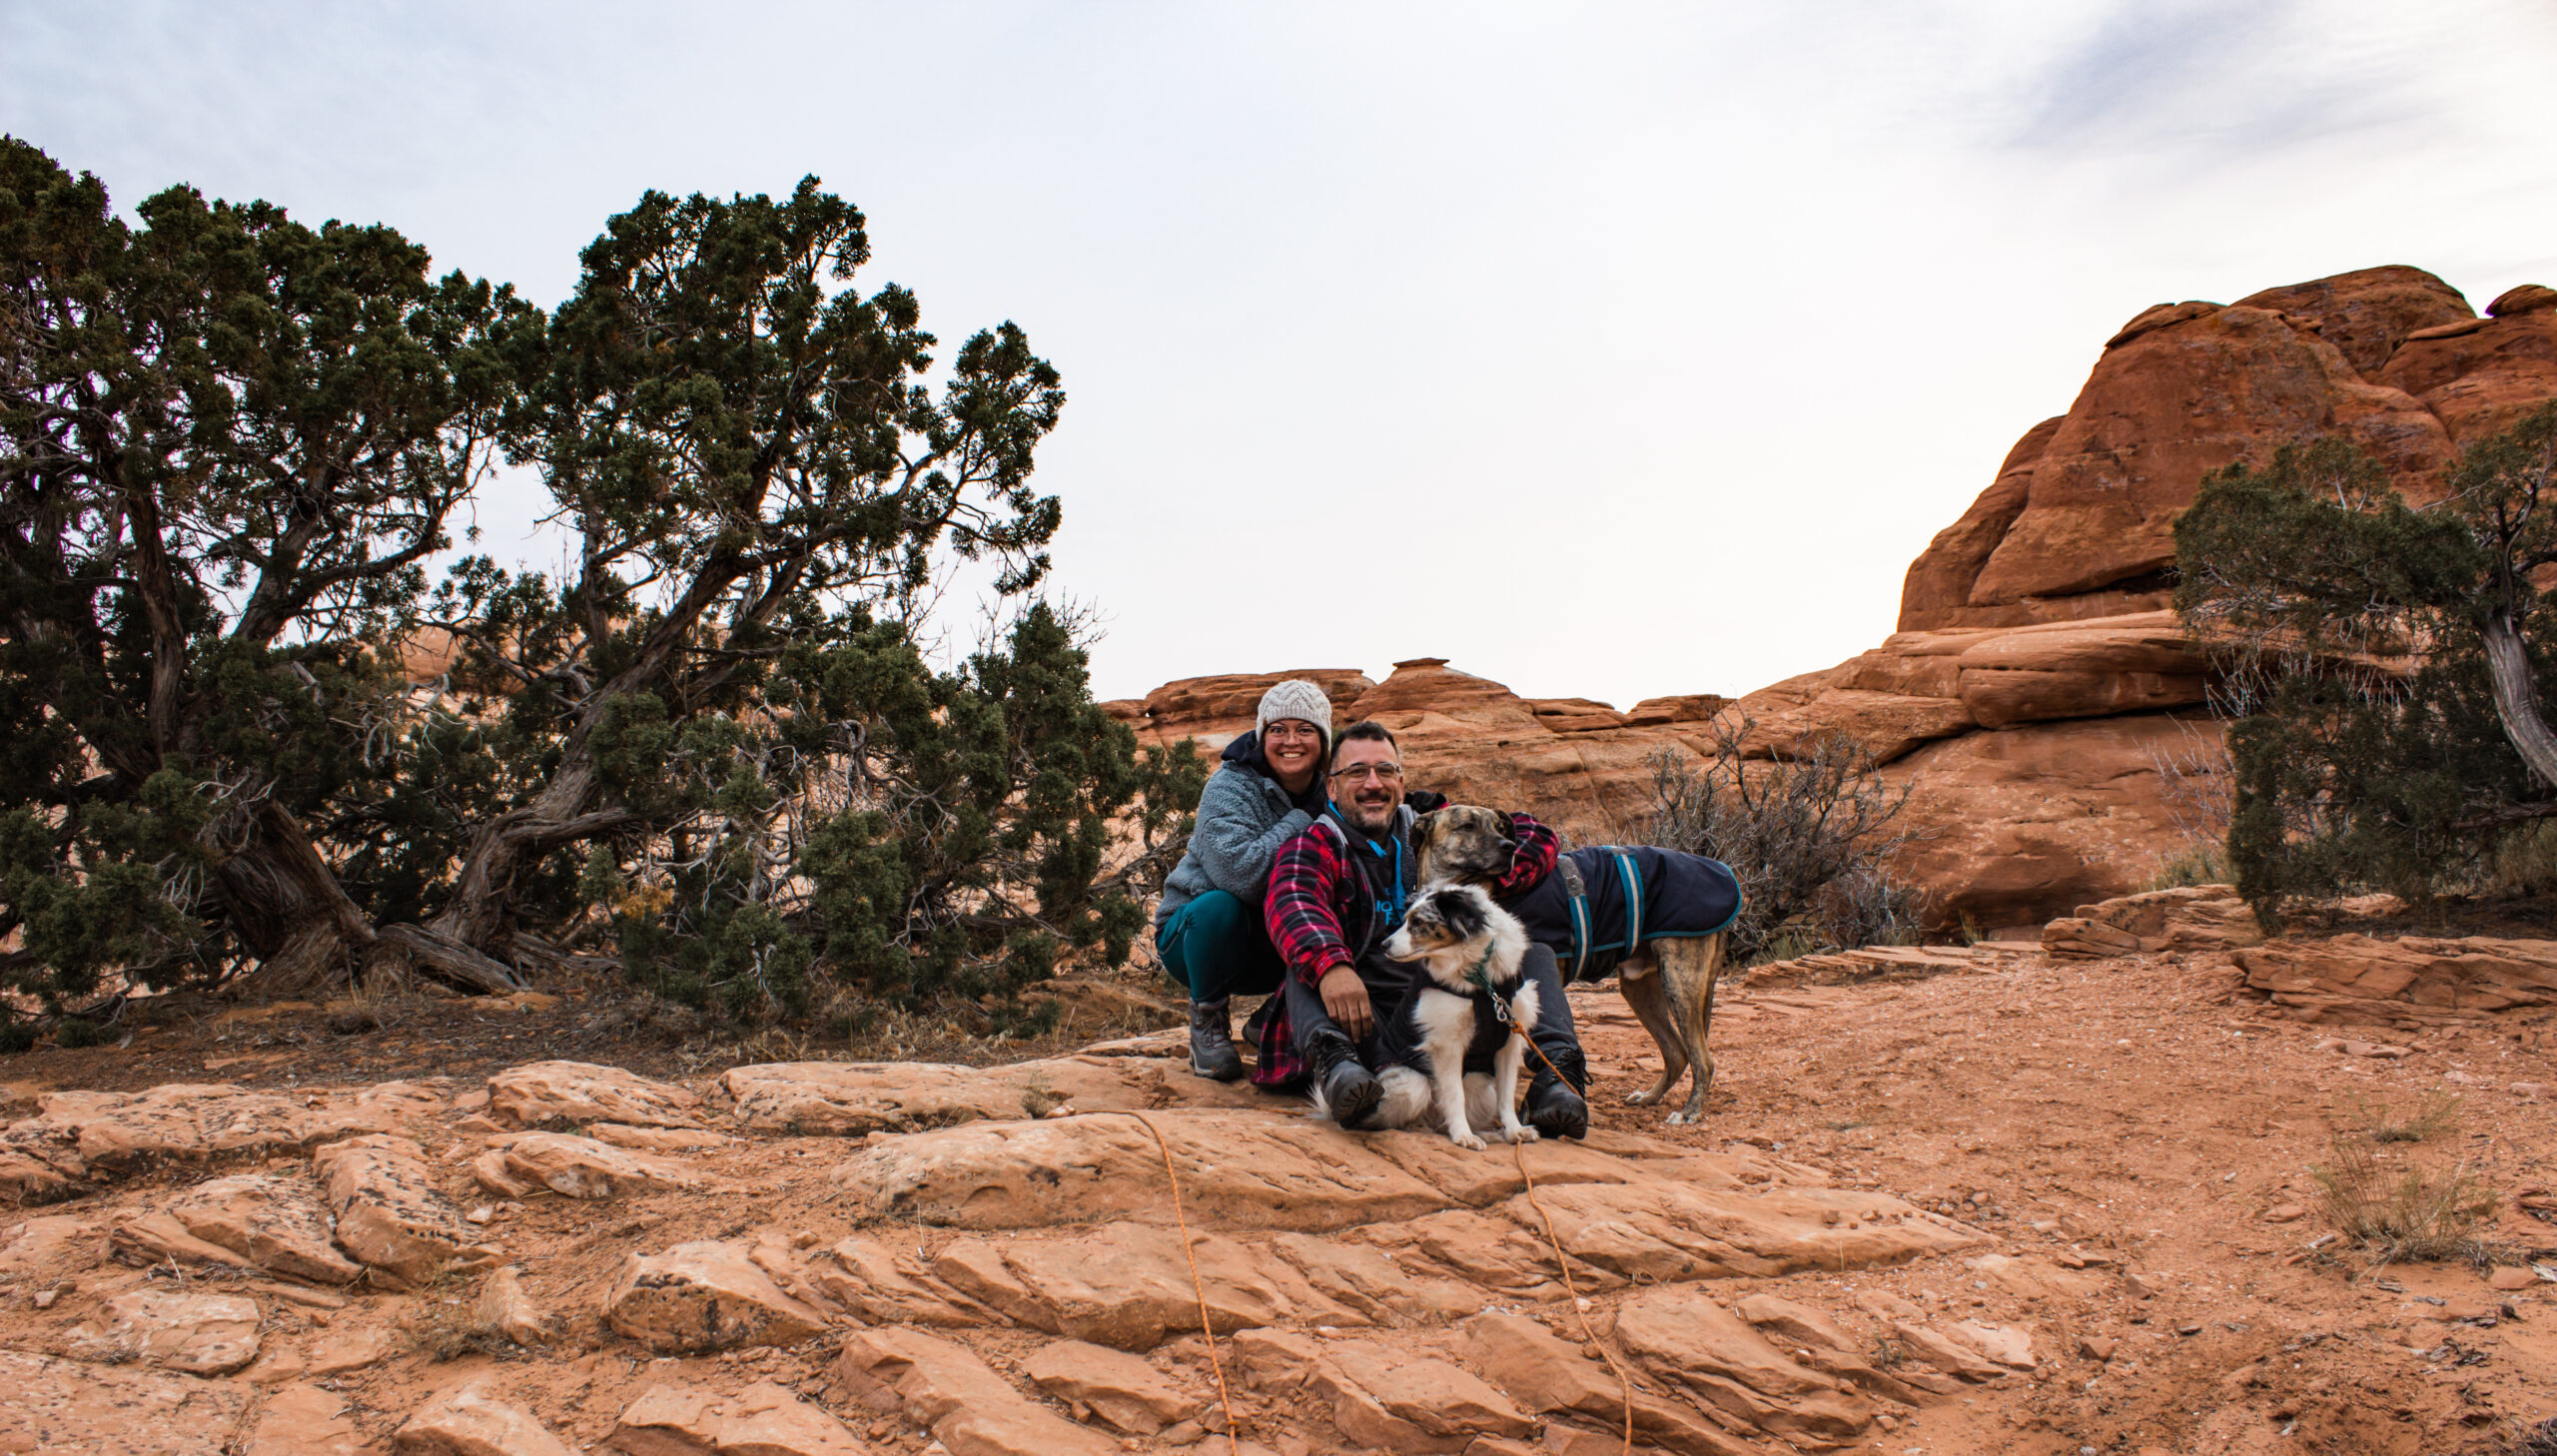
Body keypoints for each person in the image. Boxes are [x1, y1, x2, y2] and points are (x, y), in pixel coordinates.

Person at [1257, 719, 1592, 1137]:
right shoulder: (1318, 842)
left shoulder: (1431, 826)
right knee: (1306, 963)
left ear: (1401, 781)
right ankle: (1339, 1067)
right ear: (1331, 787)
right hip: (1365, 1013)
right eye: (1356, 771)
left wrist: (1493, 876)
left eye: (1385, 771)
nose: (1372, 783)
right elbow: (1292, 899)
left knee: (1535, 955)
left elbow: (1535, 834)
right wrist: (1331, 966)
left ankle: (1557, 1082)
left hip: (1452, 1013)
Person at [1155, 680, 1336, 1080]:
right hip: (1194, 936)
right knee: (1223, 906)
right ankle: (1208, 1020)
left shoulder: (1333, 792)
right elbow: (1242, 876)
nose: (1291, 741)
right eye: (1278, 730)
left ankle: (1276, 1014)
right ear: (1262, 735)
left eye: (1305, 730)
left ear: (1323, 740)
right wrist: (1300, 820)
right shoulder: (1228, 786)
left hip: (1269, 941)